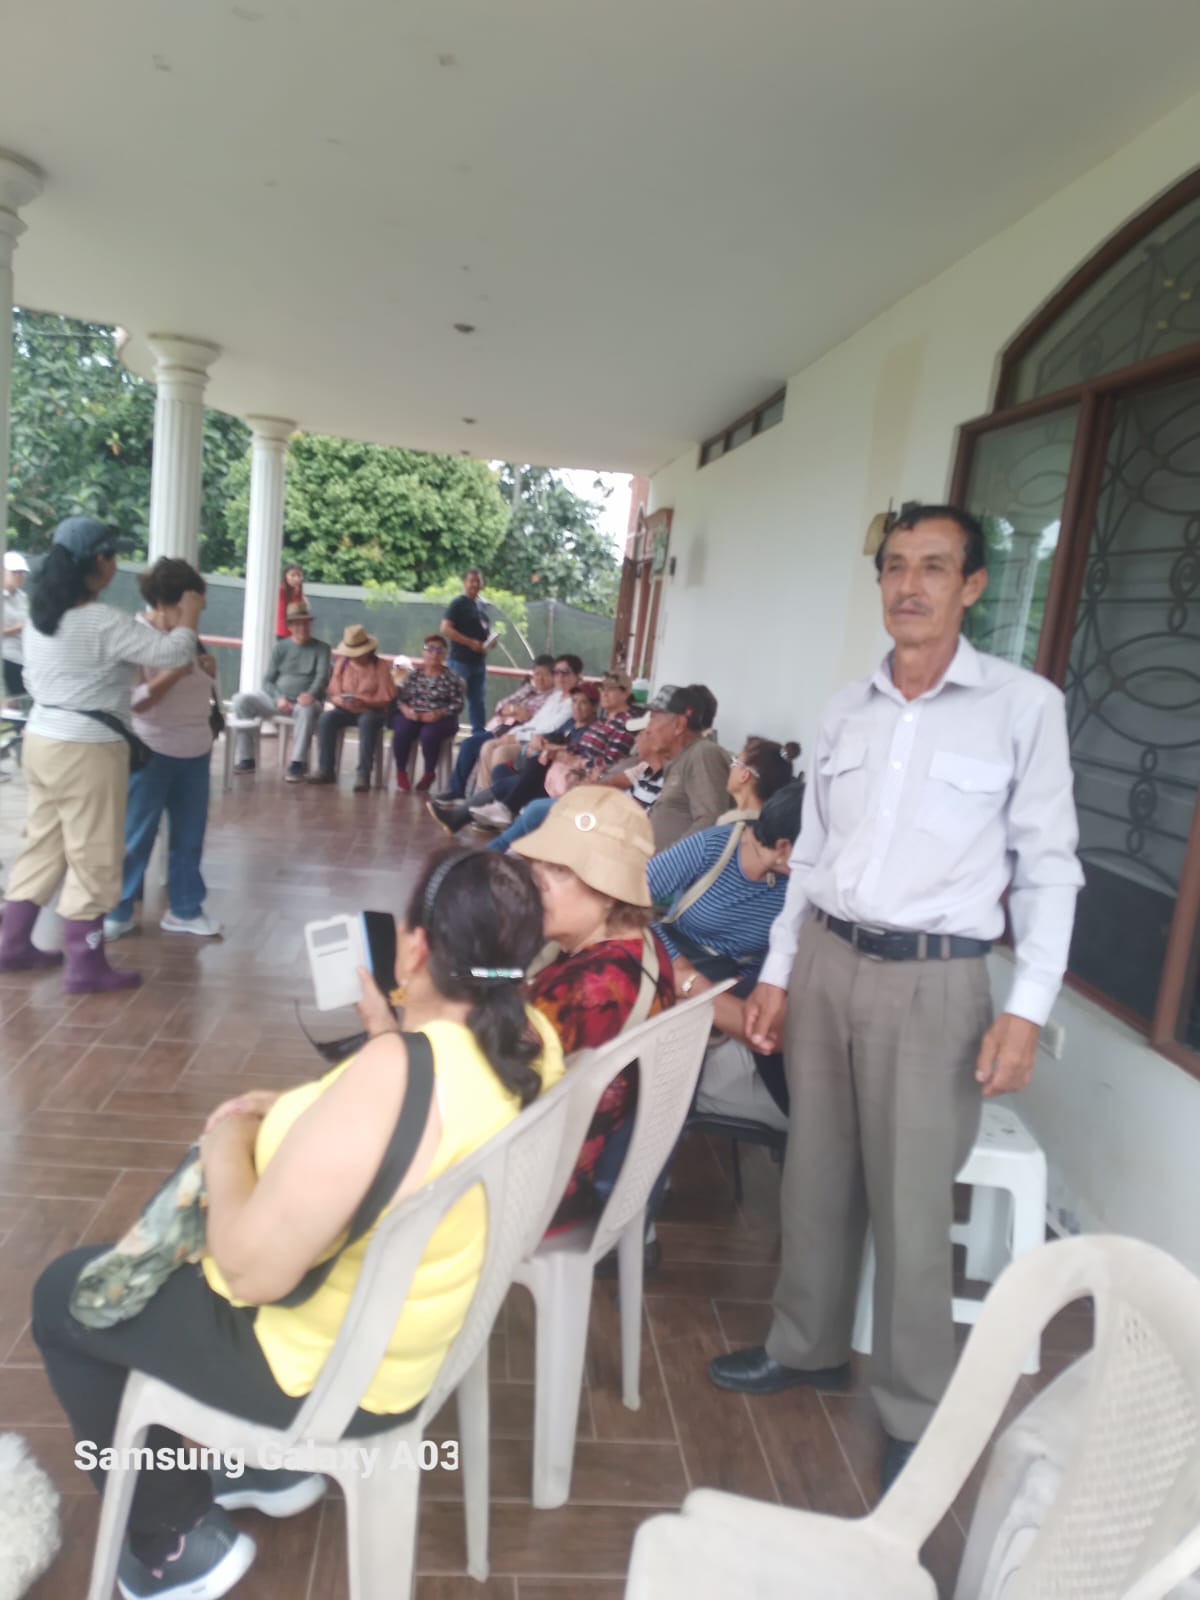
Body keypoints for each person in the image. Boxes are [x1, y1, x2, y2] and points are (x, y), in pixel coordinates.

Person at [32, 848, 563, 1598]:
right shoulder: (531, 1039)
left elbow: (251, 1270)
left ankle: (173, 1540)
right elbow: (412, 1131)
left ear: (417, 948)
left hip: (325, 1373)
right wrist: (365, 1055)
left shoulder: (401, 1074)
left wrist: (226, 1142)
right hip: (411, 1343)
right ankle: (269, 1468)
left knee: (63, 1297)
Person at [709, 503, 1083, 1494]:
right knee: (815, 1171)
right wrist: (779, 972)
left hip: (935, 979)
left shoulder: (1023, 708)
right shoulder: (848, 709)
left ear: (973, 586)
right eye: (895, 567)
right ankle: (805, 1345)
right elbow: (812, 857)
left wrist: (1027, 1007)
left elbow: (1050, 867)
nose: (909, 586)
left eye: (934, 567)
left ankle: (917, 1409)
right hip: (828, 960)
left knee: (914, 1202)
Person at [0, 517, 202, 993]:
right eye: (113, 556)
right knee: (94, 852)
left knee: (44, 842)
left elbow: (30, 679)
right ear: (98, 561)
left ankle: (11, 941)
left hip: (42, 739)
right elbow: (174, 654)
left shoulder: (40, 618)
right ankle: (85, 963)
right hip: (87, 748)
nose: (116, 565)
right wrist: (190, 615)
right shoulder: (103, 621)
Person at [511, 786, 674, 1232]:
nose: (537, 882)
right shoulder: (643, 946)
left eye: (561, 870)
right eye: (539, 865)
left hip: (541, 1188)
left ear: (610, 892)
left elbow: (490, 1090)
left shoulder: (584, 989)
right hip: (580, 1160)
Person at [105, 559, 223, 942]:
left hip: (195, 750)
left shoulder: (189, 638)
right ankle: (118, 909)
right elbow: (135, 701)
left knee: (189, 837)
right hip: (151, 749)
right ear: (160, 602)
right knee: (137, 835)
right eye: (185, 608)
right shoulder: (136, 636)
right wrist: (174, 672)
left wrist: (208, 672)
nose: (190, 619)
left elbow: (202, 692)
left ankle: (185, 909)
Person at [649, 782, 805, 980]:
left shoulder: (794, 887)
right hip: (668, 964)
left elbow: (769, 957)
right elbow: (628, 898)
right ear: (784, 847)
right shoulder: (713, 846)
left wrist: (739, 986)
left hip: (727, 983)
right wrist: (678, 964)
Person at [468, 683, 601, 830]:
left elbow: (575, 750)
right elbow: (551, 736)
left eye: (583, 703)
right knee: (500, 770)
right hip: (541, 776)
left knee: (525, 769)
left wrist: (549, 748)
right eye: (574, 701)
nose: (577, 707)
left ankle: (505, 809)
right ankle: (505, 814)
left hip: (558, 782)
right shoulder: (570, 723)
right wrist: (540, 739)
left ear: (594, 706)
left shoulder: (594, 730)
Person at [231, 601, 331, 781]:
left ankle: (297, 764)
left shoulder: (322, 648)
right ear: (290, 626)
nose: (303, 627)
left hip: (304, 702)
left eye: (306, 623)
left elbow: (322, 677)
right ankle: (246, 758)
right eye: (298, 624)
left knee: (307, 710)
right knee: (241, 700)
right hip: (279, 701)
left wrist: (311, 694)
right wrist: (278, 698)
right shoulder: (281, 647)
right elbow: (268, 680)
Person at [437, 654, 557, 801]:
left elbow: (534, 719)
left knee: (488, 748)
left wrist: (518, 713)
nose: (540, 678)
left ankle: (489, 797)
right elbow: (500, 706)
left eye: (545, 675)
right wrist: (514, 709)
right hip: (503, 729)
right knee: (468, 744)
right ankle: (457, 790)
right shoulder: (528, 689)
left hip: (522, 734)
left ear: (553, 676)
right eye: (537, 674)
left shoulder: (553, 697)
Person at [310, 624, 396, 792]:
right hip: (346, 709)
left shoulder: (380, 666)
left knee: (367, 722)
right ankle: (326, 769)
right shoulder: (342, 664)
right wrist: (341, 701)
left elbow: (386, 698)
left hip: (372, 710)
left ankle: (364, 773)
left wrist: (364, 701)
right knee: (326, 718)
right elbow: (333, 692)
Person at [645, 684, 731, 850]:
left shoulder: (703, 753)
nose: (648, 729)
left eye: (653, 718)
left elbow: (712, 822)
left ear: (679, 725)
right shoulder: (681, 758)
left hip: (667, 864)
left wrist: (665, 860)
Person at [390, 634, 465, 793]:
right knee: (402, 729)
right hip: (414, 715)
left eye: (439, 650)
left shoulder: (452, 678)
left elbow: (458, 704)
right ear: (423, 652)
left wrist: (440, 712)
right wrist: (406, 710)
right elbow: (400, 699)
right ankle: (401, 770)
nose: (434, 654)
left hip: (441, 718)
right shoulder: (413, 675)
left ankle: (429, 773)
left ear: (445, 655)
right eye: (430, 649)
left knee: (429, 734)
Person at [440, 567, 497, 736]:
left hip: (478, 662)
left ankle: (478, 736)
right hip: (460, 661)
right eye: (471, 581)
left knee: (478, 701)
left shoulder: (481, 606)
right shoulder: (458, 603)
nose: (475, 584)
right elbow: (445, 628)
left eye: (478, 581)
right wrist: (469, 642)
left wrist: (490, 641)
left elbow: (484, 630)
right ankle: (445, 732)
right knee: (454, 699)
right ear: (465, 583)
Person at [720, 736, 802, 821]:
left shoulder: (726, 828)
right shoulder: (781, 827)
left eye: (735, 762)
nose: (731, 767)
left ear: (744, 775)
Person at [2, 549, 30, 700]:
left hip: (22, 656)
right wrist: (16, 628)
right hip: (6, 657)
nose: (19, 576)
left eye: (21, 572)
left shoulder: (22, 597)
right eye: (14, 572)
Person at [275, 563, 305, 639]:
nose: (296, 579)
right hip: (281, 633)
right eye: (292, 575)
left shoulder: (299, 593)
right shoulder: (281, 591)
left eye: (299, 575)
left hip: (295, 634)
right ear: (285, 576)